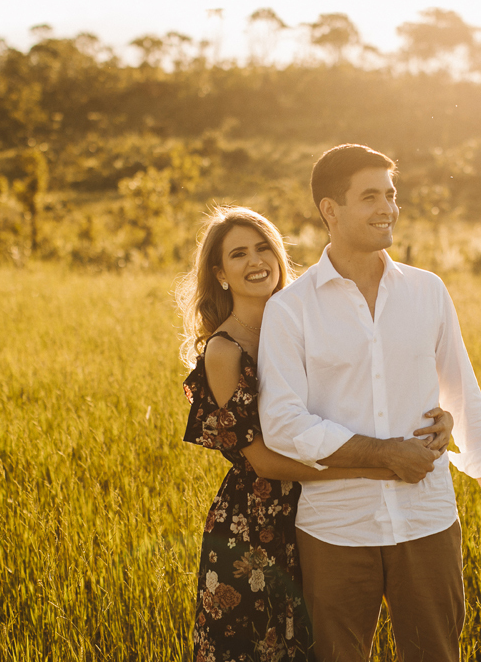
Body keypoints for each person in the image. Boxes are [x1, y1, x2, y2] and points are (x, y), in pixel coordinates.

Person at [257, 144, 481, 662]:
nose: (388, 208)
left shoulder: (427, 291)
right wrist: (384, 454)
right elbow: (284, 423)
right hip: (336, 528)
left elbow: (461, 394)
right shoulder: (291, 309)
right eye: (370, 196)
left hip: (428, 520)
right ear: (330, 209)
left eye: (392, 194)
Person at [176, 205, 455, 662]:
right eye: (239, 254)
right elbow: (262, 461)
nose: (255, 262)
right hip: (260, 521)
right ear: (221, 273)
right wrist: (378, 465)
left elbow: (375, 389)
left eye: (264, 248)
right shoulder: (224, 351)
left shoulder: (308, 315)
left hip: (314, 511)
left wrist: (440, 416)